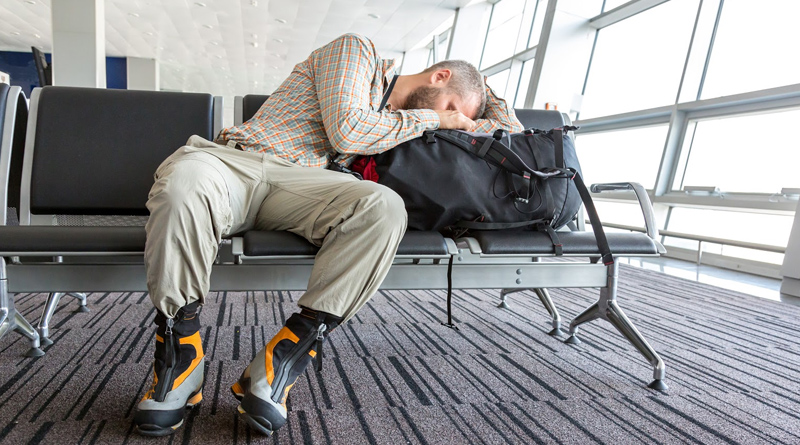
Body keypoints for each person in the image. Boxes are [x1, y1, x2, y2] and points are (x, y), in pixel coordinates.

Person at [132, 33, 523, 437]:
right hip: (239, 163)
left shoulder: (409, 119)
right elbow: (348, 132)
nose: (452, 120)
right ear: (440, 76)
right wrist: (439, 116)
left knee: (385, 207)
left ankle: (282, 358)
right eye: (453, 108)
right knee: (184, 186)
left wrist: (478, 87)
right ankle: (180, 356)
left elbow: (511, 134)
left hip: (308, 187)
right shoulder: (358, 52)